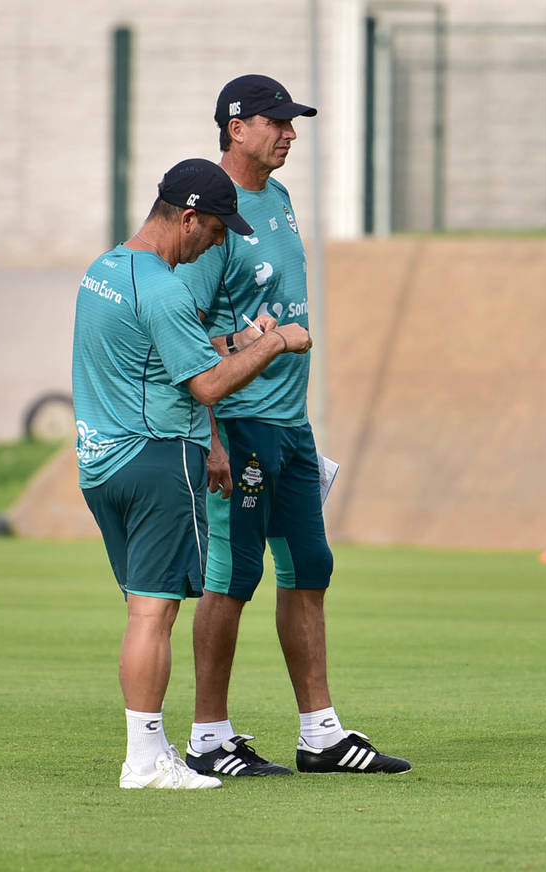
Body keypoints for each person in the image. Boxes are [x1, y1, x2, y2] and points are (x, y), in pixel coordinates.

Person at [176, 75, 411, 776]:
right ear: (236, 126)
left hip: (289, 424)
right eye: (276, 120)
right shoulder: (213, 213)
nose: (290, 132)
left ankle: (322, 735)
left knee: (311, 567)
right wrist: (211, 437)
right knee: (233, 576)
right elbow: (192, 333)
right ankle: (209, 739)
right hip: (239, 424)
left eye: (293, 120)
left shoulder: (276, 199)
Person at [71, 157, 312, 789]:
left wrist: (238, 336)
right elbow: (206, 386)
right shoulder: (166, 288)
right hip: (156, 460)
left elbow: (169, 350)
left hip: (101, 461)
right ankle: (146, 760)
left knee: (140, 610)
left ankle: (147, 753)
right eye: (213, 229)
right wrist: (275, 342)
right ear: (186, 218)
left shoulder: (104, 271)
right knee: (154, 615)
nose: (217, 242)